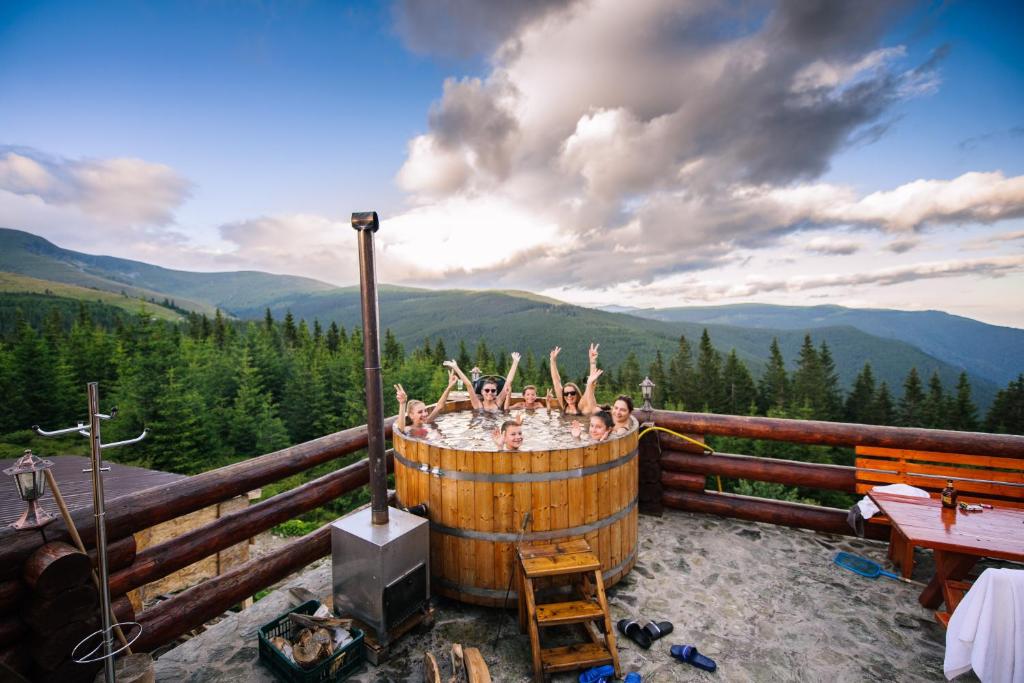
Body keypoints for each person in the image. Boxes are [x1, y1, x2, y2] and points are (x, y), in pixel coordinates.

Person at [446, 353, 520, 412]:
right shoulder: (478, 404)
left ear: (496, 392)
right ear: (482, 391)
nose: (490, 392)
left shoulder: (498, 402)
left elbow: (508, 382)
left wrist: (515, 362)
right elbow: (468, 385)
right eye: (487, 390)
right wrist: (455, 367)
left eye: (493, 390)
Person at [394, 370, 457, 437]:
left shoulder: (427, 422)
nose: (424, 414)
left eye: (425, 410)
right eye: (420, 412)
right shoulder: (409, 429)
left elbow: (439, 407)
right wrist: (402, 403)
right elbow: (400, 431)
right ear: (411, 415)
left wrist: (449, 387)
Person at [549, 344, 600, 415]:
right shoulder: (564, 405)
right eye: (566, 394)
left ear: (577, 394)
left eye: (572, 393)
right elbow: (556, 381)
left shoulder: (581, 406)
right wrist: (552, 361)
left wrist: (593, 362)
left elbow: (591, 386)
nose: (569, 396)